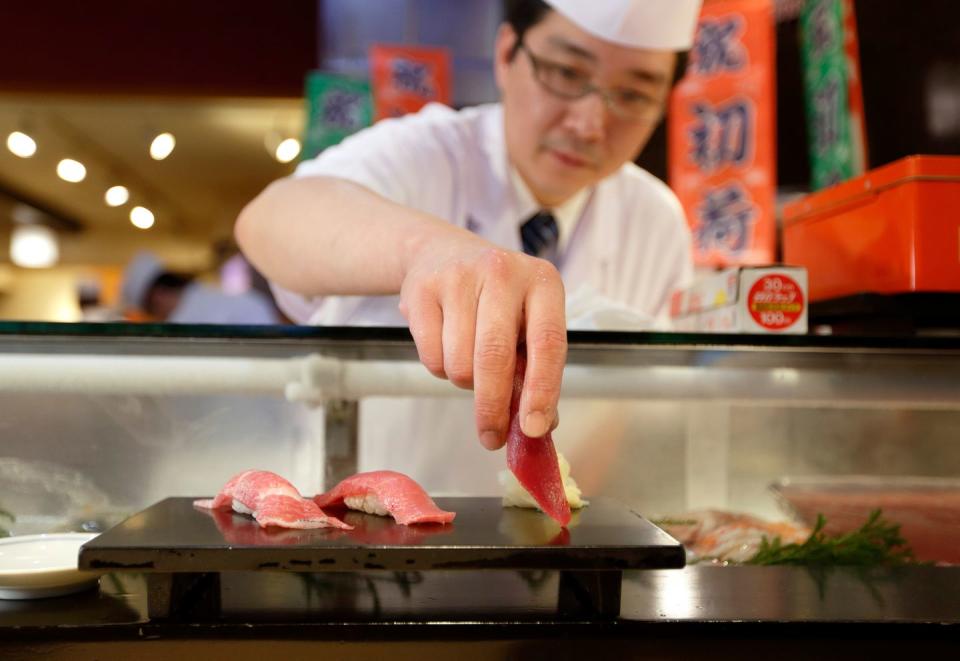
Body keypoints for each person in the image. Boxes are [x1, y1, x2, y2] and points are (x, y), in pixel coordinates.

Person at [236, 0, 702, 491]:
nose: (589, 124)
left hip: (544, 543)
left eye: (632, 95)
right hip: (367, 534)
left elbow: (626, 416)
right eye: (565, 72)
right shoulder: (427, 152)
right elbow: (270, 218)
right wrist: (430, 252)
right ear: (506, 54)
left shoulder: (656, 220)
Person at [120, 251, 280, 324]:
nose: (157, 318)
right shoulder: (248, 301)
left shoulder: (182, 325)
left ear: (157, 296)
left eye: (151, 312)